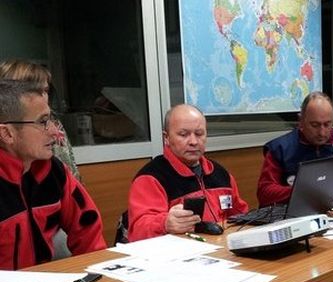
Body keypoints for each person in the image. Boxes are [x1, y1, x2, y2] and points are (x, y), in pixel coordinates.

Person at [0, 79, 106, 270]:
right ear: (7, 134)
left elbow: (88, 230)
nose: (54, 131)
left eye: (51, 120)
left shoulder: (54, 172)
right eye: (43, 122)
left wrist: (99, 278)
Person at [127, 104, 249, 242]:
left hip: (224, 250)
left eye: (199, 134)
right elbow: (137, 231)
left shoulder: (220, 174)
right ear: (166, 138)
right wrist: (164, 224)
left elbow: (240, 215)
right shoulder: (151, 178)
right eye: (183, 135)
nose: (193, 141)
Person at [257, 91, 333, 205]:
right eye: (315, 125)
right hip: (295, 217)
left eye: (327, 124)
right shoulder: (280, 149)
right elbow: (264, 193)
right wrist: (300, 192)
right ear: (301, 121)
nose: (322, 132)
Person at [0, 59, 80, 180]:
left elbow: (72, 176)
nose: (42, 96)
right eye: (34, 90)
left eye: (46, 90)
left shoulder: (53, 125)